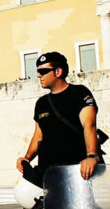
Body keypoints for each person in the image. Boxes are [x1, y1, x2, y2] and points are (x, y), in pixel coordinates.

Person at [16, 51, 100, 183]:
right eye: (38, 71)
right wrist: (26, 158)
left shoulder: (79, 93)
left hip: (75, 170)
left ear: (58, 72)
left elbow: (89, 126)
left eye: (43, 71)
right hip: (48, 172)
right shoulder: (41, 103)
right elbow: (38, 135)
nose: (39, 75)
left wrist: (91, 156)